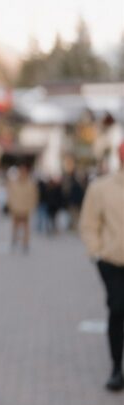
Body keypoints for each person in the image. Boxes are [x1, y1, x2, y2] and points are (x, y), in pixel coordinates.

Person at [79, 142, 124, 392]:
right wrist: (96, 253)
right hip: (112, 262)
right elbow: (89, 224)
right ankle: (117, 366)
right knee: (117, 309)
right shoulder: (102, 188)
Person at [7, 163, 38, 252]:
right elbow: (10, 195)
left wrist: (31, 207)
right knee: (15, 226)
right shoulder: (14, 183)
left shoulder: (30, 184)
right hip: (16, 208)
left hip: (26, 209)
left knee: (26, 227)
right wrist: (11, 206)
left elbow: (34, 197)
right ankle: (14, 240)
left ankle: (25, 243)